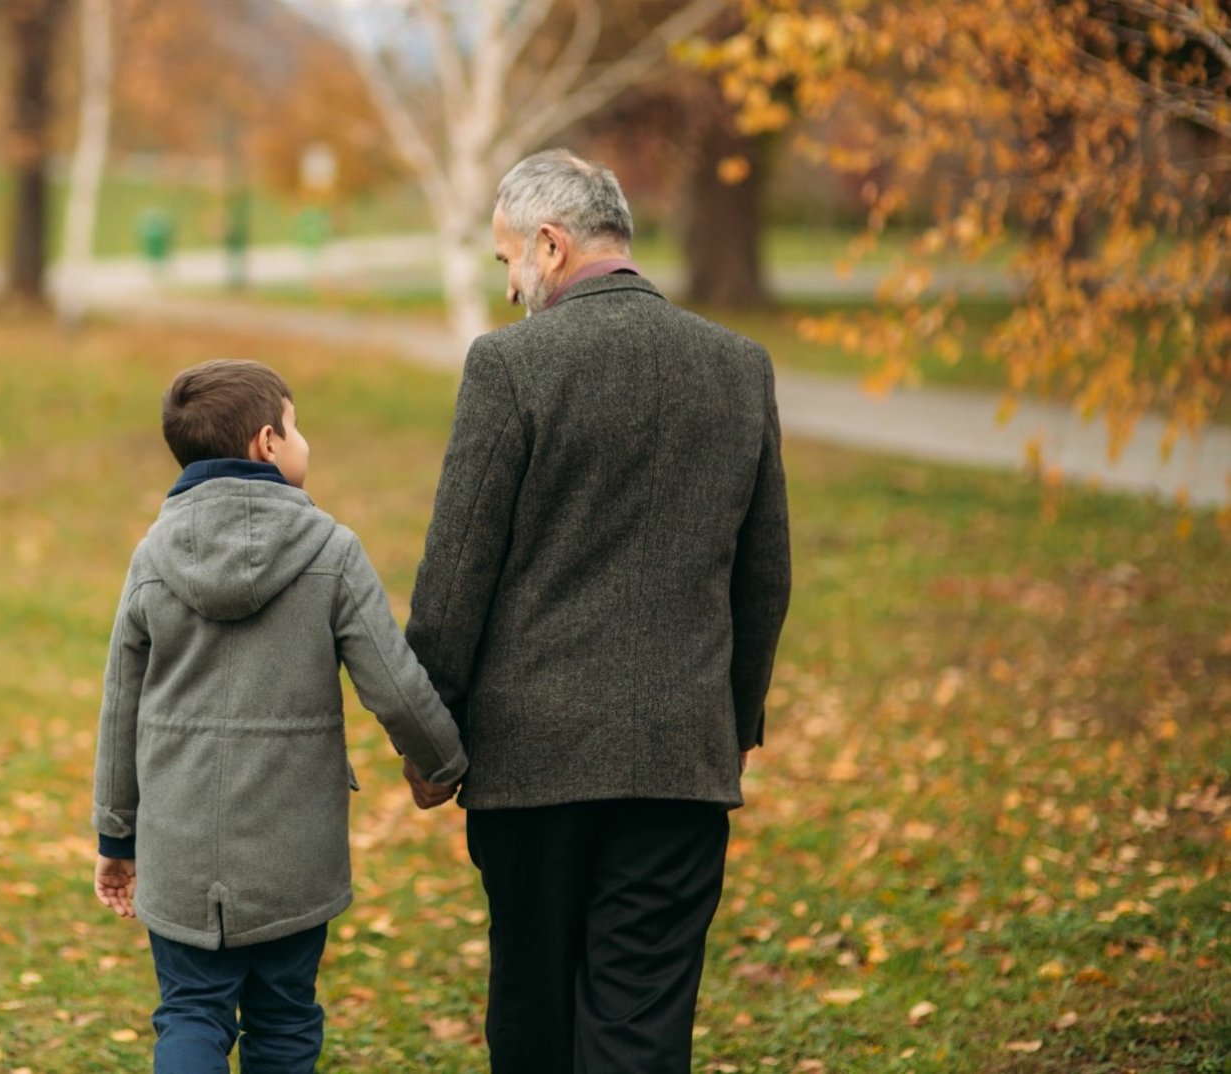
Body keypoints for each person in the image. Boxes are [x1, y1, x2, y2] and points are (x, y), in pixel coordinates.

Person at [402, 148, 793, 1072]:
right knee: (641, 1029)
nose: (508, 288)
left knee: (533, 1018)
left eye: (507, 262)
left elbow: (457, 573)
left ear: (550, 243)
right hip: (678, 762)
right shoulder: (740, 366)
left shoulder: (510, 367)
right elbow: (764, 575)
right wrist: (727, 725)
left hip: (530, 766)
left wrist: (430, 737)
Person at [90, 358, 468, 1073]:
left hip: (180, 846)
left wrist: (116, 834)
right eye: (297, 426)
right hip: (293, 852)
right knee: (286, 1018)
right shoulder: (330, 549)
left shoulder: (152, 556)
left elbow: (120, 707)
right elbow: (392, 682)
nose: (303, 440)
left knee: (191, 1013)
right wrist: (440, 761)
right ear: (268, 442)